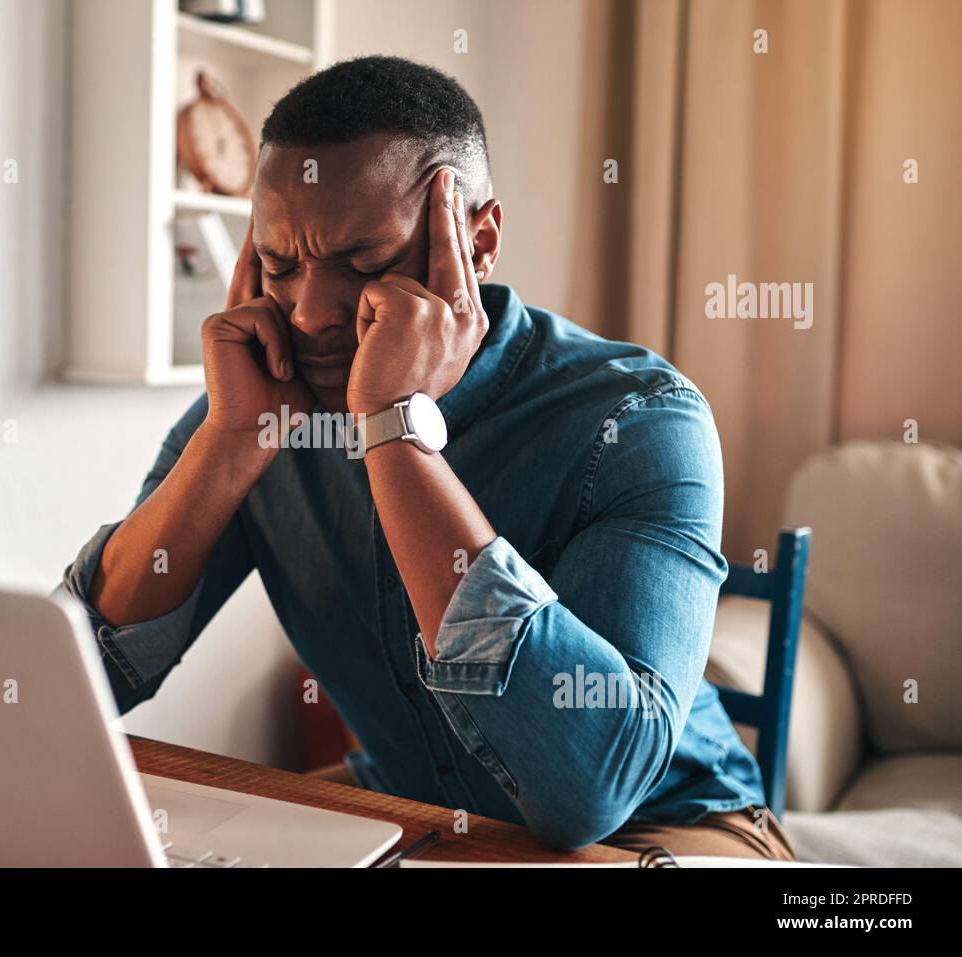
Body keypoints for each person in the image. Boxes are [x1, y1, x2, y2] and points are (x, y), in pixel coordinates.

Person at [59, 55, 795, 861]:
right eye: (281, 264)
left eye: (366, 264)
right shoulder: (257, 411)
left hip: (667, 827)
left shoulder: (642, 417)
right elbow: (76, 689)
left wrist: (395, 433)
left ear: (476, 244)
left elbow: (587, 791)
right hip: (411, 805)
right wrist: (230, 447)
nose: (309, 314)